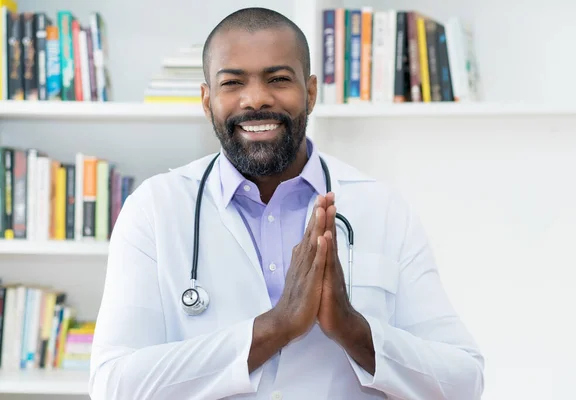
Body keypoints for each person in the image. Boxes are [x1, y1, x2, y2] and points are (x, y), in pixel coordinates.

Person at [89, 7, 484, 400]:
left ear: (310, 93)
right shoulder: (154, 210)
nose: (256, 99)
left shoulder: (381, 208)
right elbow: (114, 386)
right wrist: (274, 328)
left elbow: (465, 381)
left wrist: (352, 330)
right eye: (232, 83)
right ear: (207, 100)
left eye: (278, 79)